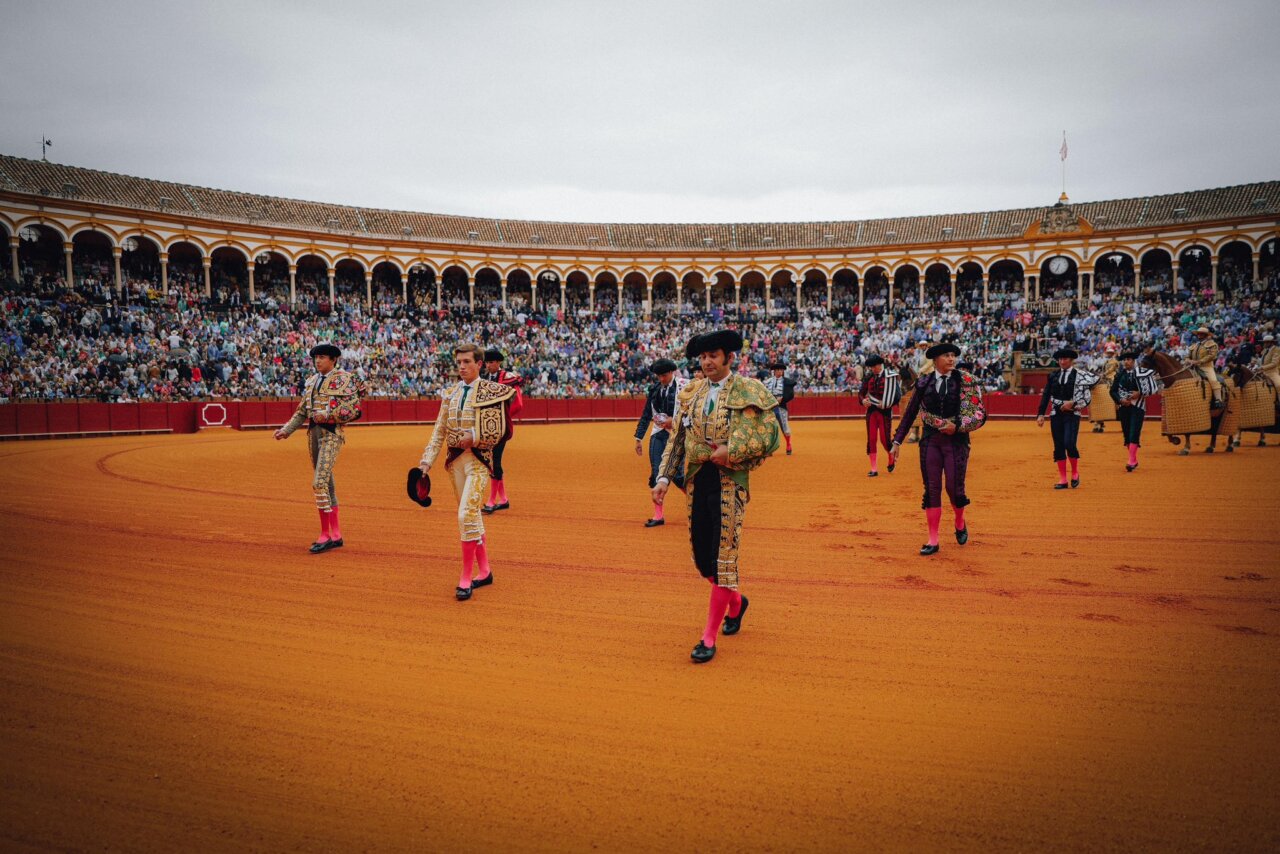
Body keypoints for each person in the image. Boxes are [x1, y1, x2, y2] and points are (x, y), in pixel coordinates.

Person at [653, 330, 780, 664]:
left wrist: (731, 450)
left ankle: (708, 637)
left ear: (729, 358)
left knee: (723, 559)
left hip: (729, 481)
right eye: (703, 357)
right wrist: (664, 477)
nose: (707, 362)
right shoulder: (692, 392)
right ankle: (736, 603)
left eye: (713, 356)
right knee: (703, 561)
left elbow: (768, 435)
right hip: (697, 480)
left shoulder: (748, 389)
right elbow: (678, 438)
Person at [419, 343, 518, 600]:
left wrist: (474, 437)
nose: (462, 367)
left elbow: (500, 430)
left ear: (479, 364)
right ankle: (484, 571)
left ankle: (466, 576)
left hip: (478, 462)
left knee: (465, 515)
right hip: (455, 464)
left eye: (467, 362)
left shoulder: (491, 392)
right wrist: (425, 463)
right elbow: (439, 431)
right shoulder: (450, 394)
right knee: (472, 516)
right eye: (459, 362)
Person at [274, 343, 365, 553]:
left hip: (331, 435)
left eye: (322, 357)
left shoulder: (345, 379)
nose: (318, 361)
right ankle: (336, 534)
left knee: (319, 483)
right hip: (314, 435)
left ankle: (325, 535)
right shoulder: (312, 381)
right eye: (316, 357)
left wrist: (329, 415)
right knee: (328, 485)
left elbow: (354, 410)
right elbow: (302, 411)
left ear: (333, 360)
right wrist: (286, 430)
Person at [892, 343, 975, 555]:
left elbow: (978, 413)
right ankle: (933, 539)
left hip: (956, 441)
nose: (952, 359)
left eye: (953, 355)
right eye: (947, 355)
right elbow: (910, 412)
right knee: (932, 488)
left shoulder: (965, 381)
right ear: (936, 360)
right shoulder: (923, 382)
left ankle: (959, 521)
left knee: (954, 488)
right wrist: (897, 441)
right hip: (931, 441)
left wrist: (958, 426)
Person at [634, 357, 685, 527]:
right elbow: (646, 414)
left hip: (678, 434)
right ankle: (658, 515)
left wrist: (675, 421)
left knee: (677, 475)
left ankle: (697, 504)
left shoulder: (684, 387)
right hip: (658, 433)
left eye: (664, 375)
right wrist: (638, 438)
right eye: (659, 376)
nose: (661, 379)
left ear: (671, 372)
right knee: (657, 473)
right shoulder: (654, 389)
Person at [1036, 348, 1094, 489]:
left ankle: (1074, 472)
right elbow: (1046, 395)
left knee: (1069, 443)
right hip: (1056, 413)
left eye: (1065, 359)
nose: (1062, 361)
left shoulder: (1079, 375)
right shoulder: (1053, 375)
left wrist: (1073, 403)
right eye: (1060, 359)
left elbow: (1087, 397)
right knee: (1059, 445)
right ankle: (1063, 479)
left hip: (1072, 413)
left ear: (1071, 360)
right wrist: (1041, 414)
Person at [480, 348, 524, 514]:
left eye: (491, 362)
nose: (488, 365)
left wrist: (502, 418)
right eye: (487, 362)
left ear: (498, 362)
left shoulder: (507, 378)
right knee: (492, 461)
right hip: (487, 427)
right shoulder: (484, 379)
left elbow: (518, 404)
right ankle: (503, 499)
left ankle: (492, 501)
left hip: (501, 427)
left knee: (494, 461)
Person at [1110, 349, 1160, 471]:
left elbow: (1151, 388)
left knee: (1134, 432)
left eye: (1128, 360)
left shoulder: (1141, 373)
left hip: (1138, 407)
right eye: (1124, 360)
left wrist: (1139, 393)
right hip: (1123, 407)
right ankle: (1133, 458)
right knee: (1127, 433)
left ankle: (1131, 460)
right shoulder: (1119, 375)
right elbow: (1112, 391)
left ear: (1133, 361)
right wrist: (1120, 400)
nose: (1126, 362)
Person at [858, 354, 900, 477]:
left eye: (874, 366)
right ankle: (874, 468)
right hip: (871, 411)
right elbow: (861, 393)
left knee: (884, 439)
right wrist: (863, 401)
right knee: (871, 439)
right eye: (871, 367)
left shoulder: (890, 377)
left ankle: (891, 456)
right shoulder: (869, 377)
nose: (872, 369)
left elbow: (897, 395)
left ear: (880, 365)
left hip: (884, 412)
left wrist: (888, 403)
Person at [762, 361, 797, 455]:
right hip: (770, 407)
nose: (780, 371)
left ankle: (788, 445)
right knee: (769, 428)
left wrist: (783, 399)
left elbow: (791, 395)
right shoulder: (767, 381)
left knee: (784, 427)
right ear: (774, 371)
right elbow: (763, 393)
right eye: (778, 370)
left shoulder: (786, 382)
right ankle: (770, 448)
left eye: (781, 370)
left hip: (781, 407)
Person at [1186, 326, 1222, 405]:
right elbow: (1187, 356)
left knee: (1213, 380)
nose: (1199, 335)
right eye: (1198, 334)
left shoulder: (1212, 344)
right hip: (1193, 367)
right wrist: (1189, 360)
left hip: (1206, 367)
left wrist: (1198, 361)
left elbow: (1212, 356)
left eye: (1201, 334)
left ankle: (1218, 399)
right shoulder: (1194, 345)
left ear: (1205, 335)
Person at [1092, 343, 1119, 432]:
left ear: (1113, 353)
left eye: (1111, 352)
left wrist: (1102, 375)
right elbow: (1095, 366)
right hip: (1104, 378)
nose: (1109, 354)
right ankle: (1098, 422)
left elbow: (1110, 370)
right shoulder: (1104, 360)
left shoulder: (1114, 361)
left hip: (1112, 379)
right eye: (1108, 352)